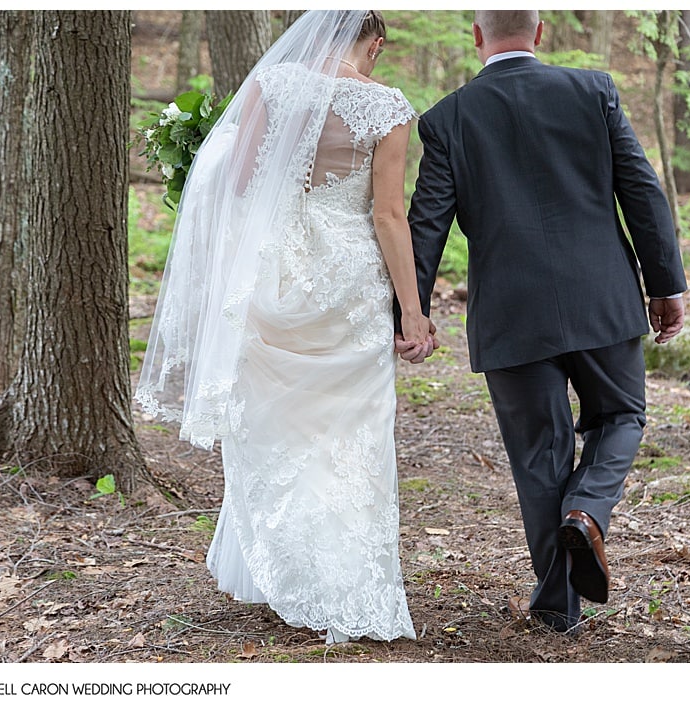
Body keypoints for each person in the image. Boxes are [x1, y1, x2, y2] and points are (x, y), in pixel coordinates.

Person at [136, 10, 433, 645]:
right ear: (373, 43)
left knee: (275, 426)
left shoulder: (274, 87)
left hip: (275, 273)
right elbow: (387, 214)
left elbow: (237, 184)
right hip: (348, 280)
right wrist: (411, 309)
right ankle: (345, 580)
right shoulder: (387, 107)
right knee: (352, 431)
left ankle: (283, 569)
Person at [399, 10, 687, 633]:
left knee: (538, 454)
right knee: (622, 416)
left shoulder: (448, 118)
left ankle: (558, 605)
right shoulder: (593, 90)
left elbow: (426, 224)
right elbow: (642, 190)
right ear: (541, 33)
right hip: (602, 299)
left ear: (477, 37)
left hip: (509, 313)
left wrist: (411, 313)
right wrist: (666, 284)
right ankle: (587, 511)